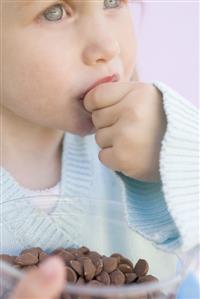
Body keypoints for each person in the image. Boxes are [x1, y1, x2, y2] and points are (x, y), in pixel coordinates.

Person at [0, 0, 198, 298]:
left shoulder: (154, 143)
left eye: (112, 2)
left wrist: (178, 154)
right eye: (54, 12)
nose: (108, 46)